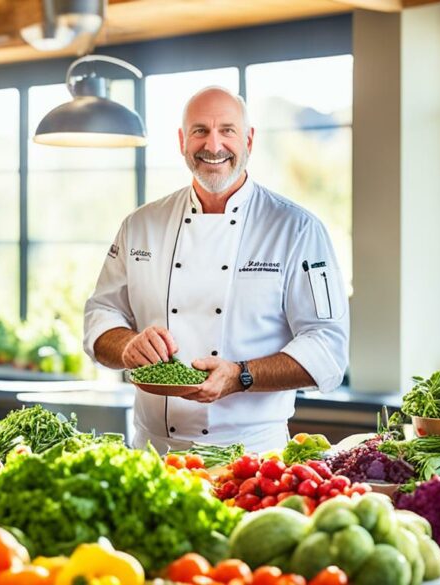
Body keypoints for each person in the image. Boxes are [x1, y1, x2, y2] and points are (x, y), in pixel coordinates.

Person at [83, 86, 349, 453]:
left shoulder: (296, 229)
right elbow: (101, 313)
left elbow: (327, 345)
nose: (213, 145)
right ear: (181, 141)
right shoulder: (141, 225)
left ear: (249, 140)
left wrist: (241, 375)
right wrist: (128, 345)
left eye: (227, 130)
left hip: (253, 458)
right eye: (199, 131)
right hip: (152, 453)